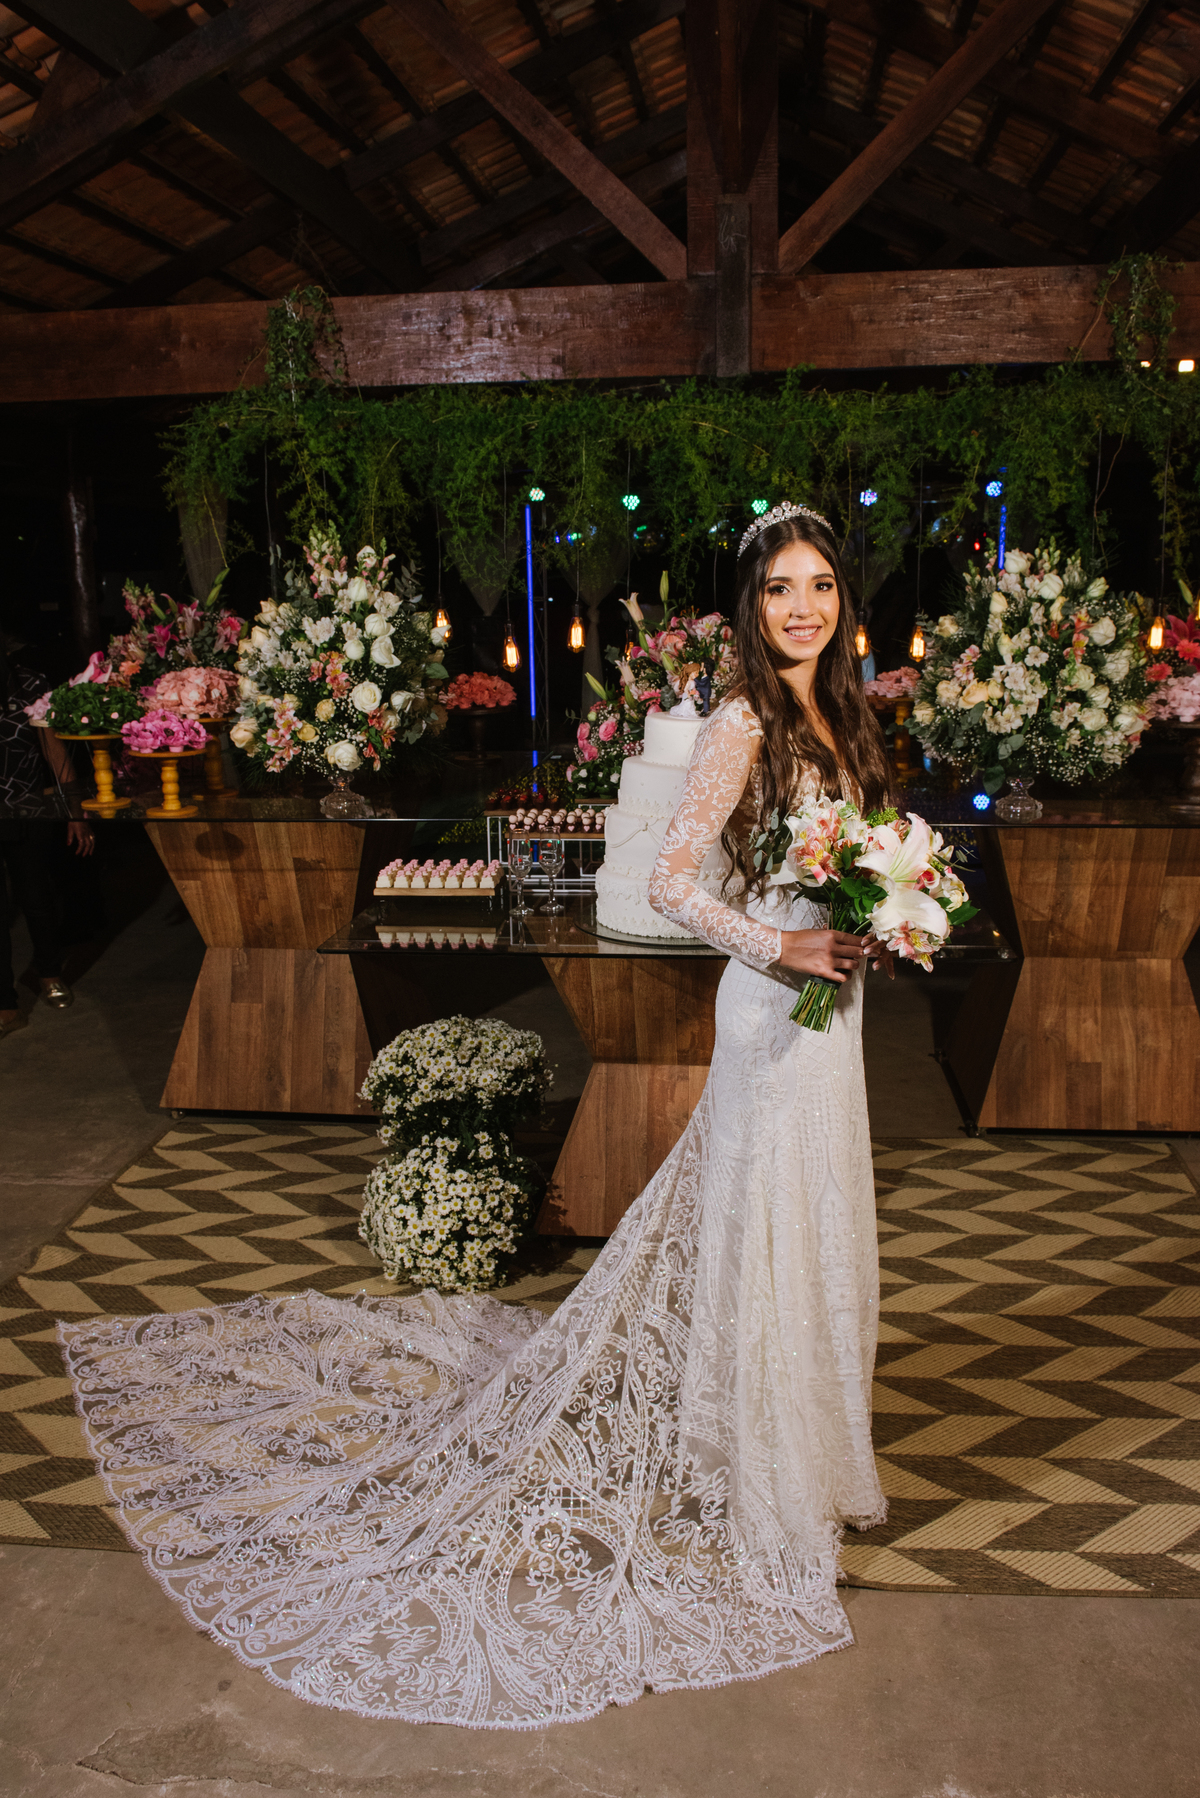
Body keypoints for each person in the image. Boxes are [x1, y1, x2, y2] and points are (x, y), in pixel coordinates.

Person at [58, 504, 895, 1729]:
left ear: (842, 600)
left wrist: (887, 915)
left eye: (819, 585)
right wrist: (781, 943)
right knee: (765, 1224)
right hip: (773, 1005)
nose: (802, 607)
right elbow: (672, 882)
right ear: (751, 605)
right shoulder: (738, 722)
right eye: (780, 588)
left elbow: (859, 857)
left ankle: (810, 1453)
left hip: (836, 1013)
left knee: (818, 1218)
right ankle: (761, 1482)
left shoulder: (846, 715)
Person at [0, 644, 94, 1037]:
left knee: (36, 896)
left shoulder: (28, 684)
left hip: (27, 809)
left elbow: (53, 749)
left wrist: (74, 811)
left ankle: (49, 972)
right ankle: (5, 1003)